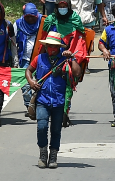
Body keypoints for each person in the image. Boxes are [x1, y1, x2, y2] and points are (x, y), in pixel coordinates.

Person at [26, 31, 73, 169]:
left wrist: (72, 59)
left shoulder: (65, 59)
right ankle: (42, 154)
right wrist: (31, 82)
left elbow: (76, 73)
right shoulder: (39, 58)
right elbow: (28, 70)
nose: (52, 49)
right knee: (42, 127)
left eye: (55, 47)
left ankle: (53, 156)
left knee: (56, 130)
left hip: (59, 101)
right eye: (49, 46)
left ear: (59, 48)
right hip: (42, 100)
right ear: (46, 46)